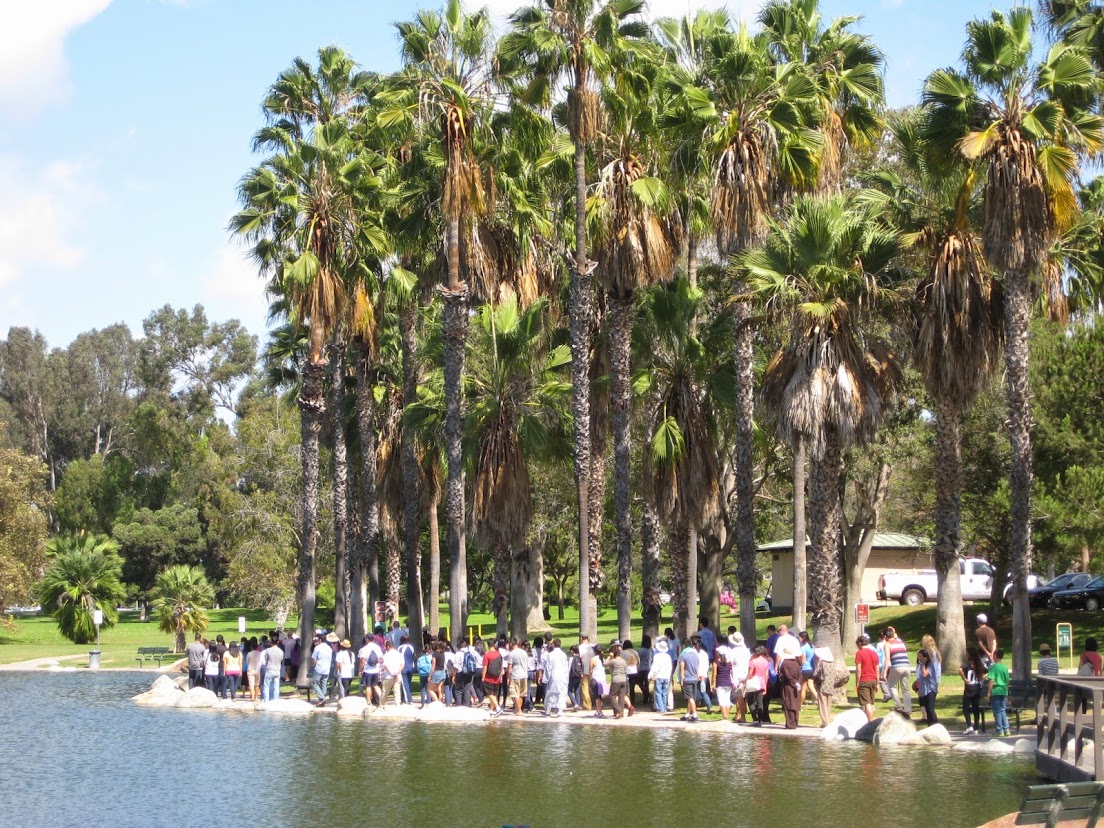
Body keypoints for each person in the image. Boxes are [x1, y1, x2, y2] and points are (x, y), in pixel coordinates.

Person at [812, 646, 848, 727]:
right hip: (830, 685)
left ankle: (825, 722)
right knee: (828, 704)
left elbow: (816, 674)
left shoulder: (821, 663)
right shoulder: (832, 663)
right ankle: (828, 719)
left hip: (822, 685)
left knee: (822, 703)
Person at [882, 626, 911, 716]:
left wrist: (885, 672)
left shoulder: (887, 644)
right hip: (907, 666)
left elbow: (887, 659)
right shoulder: (899, 641)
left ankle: (898, 706)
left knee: (892, 686)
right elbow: (895, 635)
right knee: (905, 689)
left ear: (886, 637)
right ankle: (908, 709)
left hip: (896, 666)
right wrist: (893, 630)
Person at [959, 646, 986, 735]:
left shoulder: (967, 664)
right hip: (977, 687)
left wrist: (965, 679)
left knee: (965, 708)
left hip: (969, 688)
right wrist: (981, 677)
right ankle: (976, 728)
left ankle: (969, 725)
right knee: (976, 708)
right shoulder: (979, 664)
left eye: (967, 653)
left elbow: (959, 670)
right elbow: (987, 671)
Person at [777, 637, 803, 729]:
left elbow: (787, 676)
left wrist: (794, 683)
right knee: (795, 703)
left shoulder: (785, 663)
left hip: (788, 685)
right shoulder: (796, 663)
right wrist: (798, 683)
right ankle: (795, 722)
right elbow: (800, 674)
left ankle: (790, 723)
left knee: (788, 703)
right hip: (796, 686)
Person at [854, 634, 880, 722]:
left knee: (866, 703)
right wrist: (877, 682)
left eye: (857, 644)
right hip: (873, 679)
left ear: (860, 643)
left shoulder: (859, 653)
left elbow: (858, 669)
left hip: (864, 679)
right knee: (871, 703)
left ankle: (871, 722)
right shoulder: (874, 653)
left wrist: (857, 682)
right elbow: (877, 669)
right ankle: (870, 720)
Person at [986, 648, 1011, 737]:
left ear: (996, 656)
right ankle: (1006, 729)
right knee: (1002, 710)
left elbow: (991, 680)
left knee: (997, 711)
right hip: (1004, 690)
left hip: (996, 690)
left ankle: (999, 730)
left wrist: (989, 693)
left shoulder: (993, 667)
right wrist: (1008, 693)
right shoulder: (1004, 667)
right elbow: (1007, 681)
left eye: (993, 655)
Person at [727, 632, 751, 723]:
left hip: (737, 676)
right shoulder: (746, 651)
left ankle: (742, 716)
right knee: (740, 697)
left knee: (739, 697)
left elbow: (731, 664)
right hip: (745, 675)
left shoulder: (733, 652)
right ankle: (739, 715)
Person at [745, 646, 771, 726]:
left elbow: (750, 674)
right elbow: (766, 675)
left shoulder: (753, 661)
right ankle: (760, 719)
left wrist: (745, 681)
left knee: (751, 701)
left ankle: (755, 718)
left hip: (753, 682)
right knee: (760, 702)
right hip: (762, 683)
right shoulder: (765, 661)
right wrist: (765, 686)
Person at [543, 639, 569, 717]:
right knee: (561, 693)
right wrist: (567, 678)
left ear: (553, 645)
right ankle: (560, 711)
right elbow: (566, 667)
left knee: (551, 692)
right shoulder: (563, 655)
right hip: (562, 676)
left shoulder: (551, 655)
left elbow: (548, 668)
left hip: (554, 676)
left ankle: (548, 710)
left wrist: (546, 679)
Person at [358, 634, 384, 707]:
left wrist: (360, 670)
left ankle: (369, 701)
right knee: (375, 685)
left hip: (367, 670)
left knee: (368, 686)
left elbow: (362, 660)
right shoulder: (377, 648)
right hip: (376, 670)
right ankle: (382, 700)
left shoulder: (365, 648)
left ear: (367, 639)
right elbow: (380, 658)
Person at [915, 648, 940, 725]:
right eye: (918, 656)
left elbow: (925, 674)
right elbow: (920, 677)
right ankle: (930, 723)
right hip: (924, 689)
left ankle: (935, 723)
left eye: (921, 656)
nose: (919, 658)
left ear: (926, 657)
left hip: (931, 689)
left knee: (930, 708)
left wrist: (923, 665)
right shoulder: (919, 665)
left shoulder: (930, 665)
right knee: (926, 708)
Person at [649, 637, 674, 714]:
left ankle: (661, 708)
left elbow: (654, 667)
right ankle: (664, 706)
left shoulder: (657, 656)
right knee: (664, 692)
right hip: (666, 676)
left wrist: (649, 676)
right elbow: (670, 667)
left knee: (658, 692)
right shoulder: (668, 656)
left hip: (659, 676)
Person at [605, 644, 630, 718]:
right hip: (623, 680)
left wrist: (609, 656)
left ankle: (619, 710)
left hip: (616, 680)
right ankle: (621, 713)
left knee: (611, 696)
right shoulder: (623, 661)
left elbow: (604, 663)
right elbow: (626, 671)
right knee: (621, 697)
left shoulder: (613, 661)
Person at [310, 632, 335, 706]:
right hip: (327, 669)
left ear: (320, 640)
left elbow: (314, 660)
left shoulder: (317, 648)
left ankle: (322, 697)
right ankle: (322, 699)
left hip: (319, 668)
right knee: (323, 684)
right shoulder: (329, 648)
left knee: (314, 683)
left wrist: (314, 665)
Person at [505, 638, 529, 715]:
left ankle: (519, 710)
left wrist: (508, 678)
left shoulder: (511, 654)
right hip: (524, 675)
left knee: (515, 693)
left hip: (515, 675)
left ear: (511, 644)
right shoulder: (524, 652)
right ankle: (519, 709)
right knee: (521, 694)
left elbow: (509, 667)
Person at [678, 639, 700, 722]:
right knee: (691, 697)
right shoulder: (695, 655)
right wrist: (697, 675)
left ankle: (695, 715)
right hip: (694, 678)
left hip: (687, 678)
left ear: (684, 646)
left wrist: (681, 679)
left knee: (690, 697)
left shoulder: (683, 655)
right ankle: (687, 714)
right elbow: (697, 667)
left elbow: (682, 668)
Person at [712, 641, 735, 721]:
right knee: (727, 700)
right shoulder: (730, 663)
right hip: (728, 683)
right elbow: (731, 672)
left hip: (720, 683)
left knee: (721, 700)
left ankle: (724, 716)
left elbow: (714, 674)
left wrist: (713, 684)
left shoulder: (716, 662)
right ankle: (726, 716)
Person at [481, 639, 504, 715]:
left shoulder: (487, 655)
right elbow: (501, 666)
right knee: (494, 694)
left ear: (488, 645)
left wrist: (483, 677)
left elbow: (485, 667)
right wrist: (500, 676)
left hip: (489, 677)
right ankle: (491, 709)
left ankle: (497, 708)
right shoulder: (499, 654)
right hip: (497, 677)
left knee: (490, 694)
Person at [381, 640, 405, 705]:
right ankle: (397, 704)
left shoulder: (385, 655)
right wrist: (397, 672)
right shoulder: (399, 654)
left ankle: (382, 704)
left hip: (388, 676)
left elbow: (385, 665)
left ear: (388, 647)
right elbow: (402, 665)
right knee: (397, 691)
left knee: (385, 691)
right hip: (398, 675)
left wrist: (391, 673)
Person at [261, 637, 284, 702]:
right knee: (276, 687)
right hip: (277, 670)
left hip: (270, 669)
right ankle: (275, 701)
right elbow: (281, 659)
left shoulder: (268, 650)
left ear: (271, 642)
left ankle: (266, 701)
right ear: (278, 642)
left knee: (266, 686)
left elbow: (266, 660)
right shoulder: (281, 651)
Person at [798, 631, 816, 708]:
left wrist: (799, 667)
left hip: (805, 669)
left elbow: (803, 660)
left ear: (802, 638)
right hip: (812, 668)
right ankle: (819, 699)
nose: (798, 639)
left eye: (799, 637)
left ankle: (800, 705)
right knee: (811, 686)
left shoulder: (803, 648)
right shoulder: (812, 646)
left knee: (803, 688)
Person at [590, 646, 608, 719]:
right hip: (602, 679)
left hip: (596, 679)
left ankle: (599, 711)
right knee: (600, 696)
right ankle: (599, 710)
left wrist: (590, 679)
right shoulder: (602, 659)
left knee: (596, 696)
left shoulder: (593, 659)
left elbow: (590, 670)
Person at [578, 634, 594, 711]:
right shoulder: (592, 646)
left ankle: (587, 704)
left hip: (585, 669)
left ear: (581, 638)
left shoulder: (580, 647)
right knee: (592, 687)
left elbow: (580, 658)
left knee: (584, 687)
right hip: (593, 668)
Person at [567, 645, 582, 710]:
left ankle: (575, 703)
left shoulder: (571, 659)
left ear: (572, 651)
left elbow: (569, 668)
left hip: (572, 676)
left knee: (569, 691)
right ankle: (578, 704)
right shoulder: (580, 657)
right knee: (577, 690)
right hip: (579, 675)